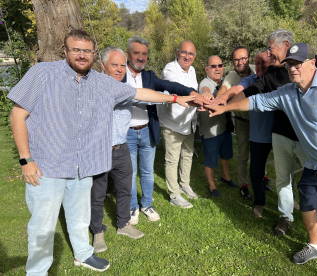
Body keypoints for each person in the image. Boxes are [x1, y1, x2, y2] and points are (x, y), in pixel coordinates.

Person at [8, 29, 193, 274]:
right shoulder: (43, 73)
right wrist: (26, 159)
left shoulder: (102, 83)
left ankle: (83, 253)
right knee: (43, 224)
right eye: (76, 49)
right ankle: (37, 271)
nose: (82, 55)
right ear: (65, 51)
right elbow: (17, 115)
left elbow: (139, 93)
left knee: (79, 215)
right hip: (47, 165)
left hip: (83, 165)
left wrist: (174, 99)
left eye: (87, 50)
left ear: (94, 54)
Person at [207, 42, 317, 276]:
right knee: (308, 206)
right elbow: (257, 102)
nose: (293, 68)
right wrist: (225, 107)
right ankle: (314, 246)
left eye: (298, 63)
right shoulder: (288, 92)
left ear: (312, 63)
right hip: (315, 163)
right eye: (289, 64)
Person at [217, 30, 317, 240]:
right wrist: (226, 102)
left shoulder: (313, 62)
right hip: (281, 136)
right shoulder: (271, 73)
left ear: (286, 45)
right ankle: (286, 216)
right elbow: (251, 90)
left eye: (270, 48)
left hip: (307, 136)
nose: (268, 53)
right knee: (283, 179)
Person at [125, 37, 206, 221]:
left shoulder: (149, 76)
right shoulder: (121, 74)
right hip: (133, 130)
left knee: (147, 170)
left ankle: (147, 203)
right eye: (136, 53)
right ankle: (134, 206)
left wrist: (193, 93)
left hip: (150, 128)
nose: (140, 57)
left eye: (144, 53)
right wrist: (184, 97)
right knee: (131, 171)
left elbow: (170, 86)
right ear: (127, 53)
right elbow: (166, 90)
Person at [90, 46, 146, 254]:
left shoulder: (126, 88)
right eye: (114, 64)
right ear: (103, 65)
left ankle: (123, 224)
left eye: (123, 64)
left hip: (121, 147)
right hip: (100, 149)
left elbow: (148, 95)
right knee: (97, 194)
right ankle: (97, 231)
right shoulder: (94, 87)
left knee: (125, 188)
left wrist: (177, 97)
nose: (120, 69)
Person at [158, 40, 200, 208]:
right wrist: (199, 99)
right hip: (172, 123)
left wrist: (200, 100)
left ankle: (184, 184)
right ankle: (174, 194)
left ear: (195, 56)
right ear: (177, 53)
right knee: (172, 159)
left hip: (189, 121)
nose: (187, 56)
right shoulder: (170, 69)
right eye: (184, 52)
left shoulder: (193, 70)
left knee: (188, 155)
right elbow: (177, 88)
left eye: (190, 54)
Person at [216, 46, 256, 194]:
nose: (239, 62)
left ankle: (264, 178)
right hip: (242, 122)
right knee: (243, 154)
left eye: (243, 58)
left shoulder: (257, 69)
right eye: (236, 59)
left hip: (259, 122)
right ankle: (243, 185)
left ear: (249, 59)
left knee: (260, 152)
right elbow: (224, 89)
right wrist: (218, 99)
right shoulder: (232, 76)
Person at [198, 55, 236, 197]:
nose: (217, 69)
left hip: (225, 127)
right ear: (207, 69)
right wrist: (206, 94)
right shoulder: (205, 82)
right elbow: (204, 89)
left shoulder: (225, 82)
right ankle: (212, 186)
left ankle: (225, 177)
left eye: (220, 65)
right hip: (210, 131)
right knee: (211, 159)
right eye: (213, 66)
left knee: (226, 155)